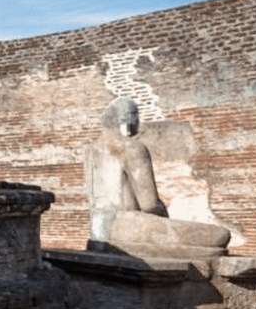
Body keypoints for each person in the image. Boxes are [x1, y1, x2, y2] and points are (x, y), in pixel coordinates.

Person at [85, 97, 231, 254]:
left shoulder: (90, 151)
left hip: (96, 227)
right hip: (124, 224)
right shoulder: (132, 147)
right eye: (136, 116)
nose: (138, 122)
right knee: (219, 236)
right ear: (126, 118)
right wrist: (163, 214)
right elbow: (149, 205)